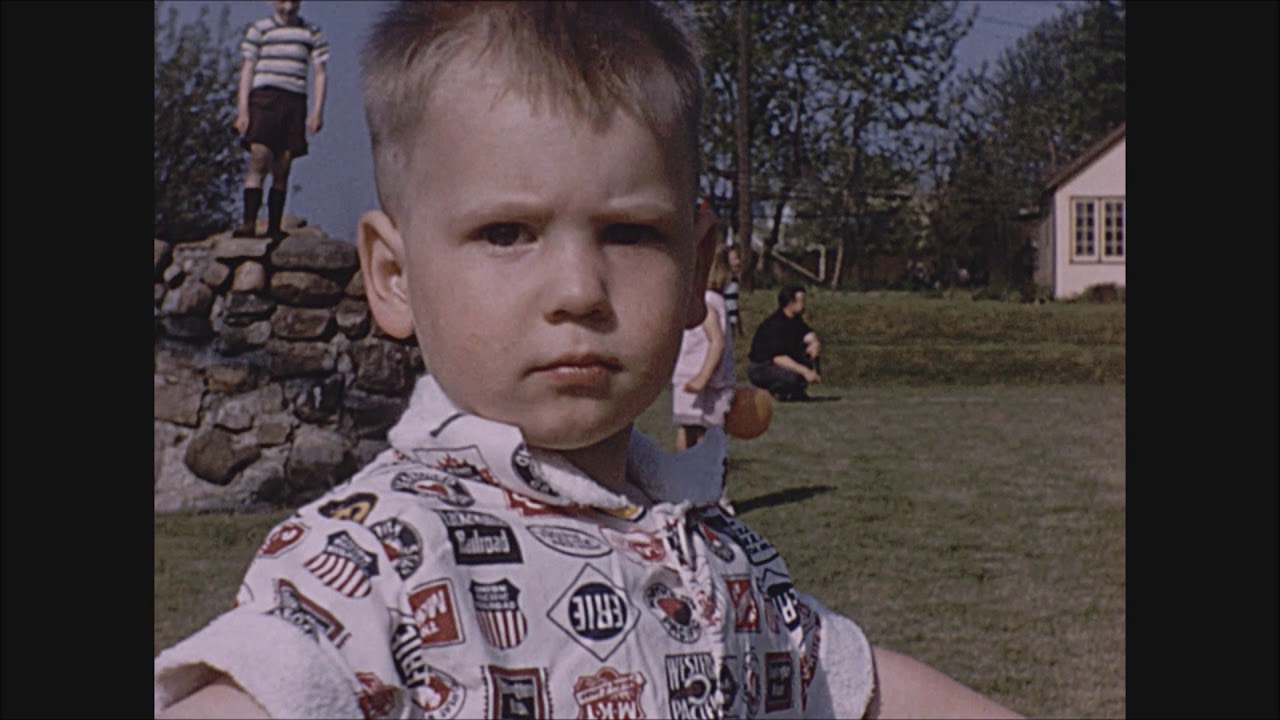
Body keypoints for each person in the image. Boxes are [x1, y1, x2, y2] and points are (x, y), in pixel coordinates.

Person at [154, 3, 1023, 718]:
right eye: (506, 232)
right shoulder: (376, 556)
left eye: (630, 233)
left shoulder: (714, 552)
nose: (578, 288)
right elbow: (260, 685)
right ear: (393, 273)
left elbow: (862, 689)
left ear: (698, 263)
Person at [232, 0, 329, 241]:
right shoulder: (260, 29)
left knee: (283, 164)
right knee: (260, 157)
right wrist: (242, 110)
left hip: (294, 100)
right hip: (264, 98)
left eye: (293, 2)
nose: (288, 6)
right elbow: (247, 69)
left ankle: (274, 226)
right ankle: (249, 222)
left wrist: (317, 111)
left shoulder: (311, 32)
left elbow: (320, 73)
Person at [672, 244, 736, 452]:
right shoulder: (713, 300)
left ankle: (697, 477)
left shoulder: (707, 301)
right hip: (700, 376)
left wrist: (703, 377)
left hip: (700, 376)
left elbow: (716, 341)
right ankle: (686, 475)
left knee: (700, 432)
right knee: (690, 428)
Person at [748, 284, 822, 401]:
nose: (804, 305)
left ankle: (795, 392)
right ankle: (775, 392)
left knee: (803, 362)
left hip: (779, 362)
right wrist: (806, 371)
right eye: (801, 301)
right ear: (790, 302)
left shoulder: (795, 320)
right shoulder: (776, 324)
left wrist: (814, 343)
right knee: (793, 377)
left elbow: (807, 333)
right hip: (762, 367)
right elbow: (778, 357)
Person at [723, 245, 745, 337]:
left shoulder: (734, 280)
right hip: (723, 321)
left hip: (731, 321)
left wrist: (739, 326)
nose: (738, 262)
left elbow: (734, 304)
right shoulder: (723, 282)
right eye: (734, 259)